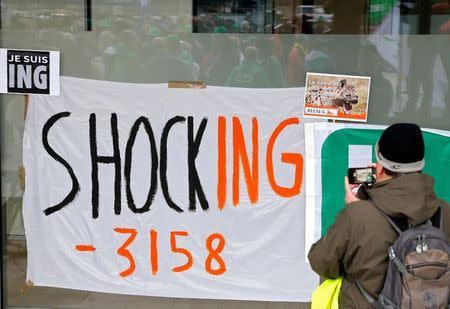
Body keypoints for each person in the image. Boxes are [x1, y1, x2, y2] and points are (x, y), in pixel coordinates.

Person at [308, 123, 450, 308]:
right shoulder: (445, 211)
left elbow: (322, 262)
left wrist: (356, 206)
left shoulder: (356, 215)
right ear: (420, 164)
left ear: (380, 168)